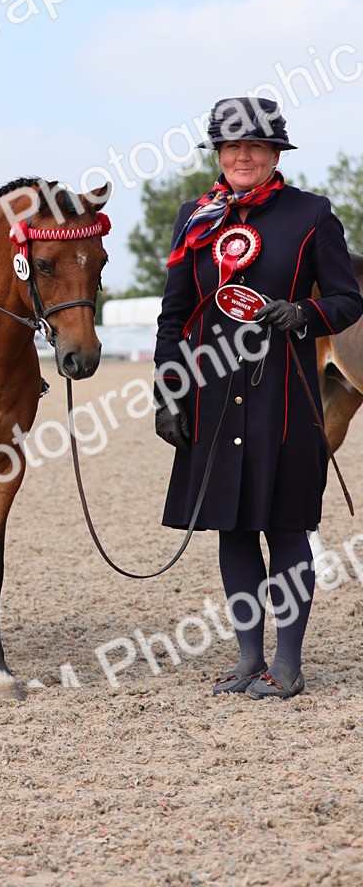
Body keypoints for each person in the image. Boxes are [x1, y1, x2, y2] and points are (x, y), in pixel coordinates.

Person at [153, 96, 362, 699]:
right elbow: (173, 316)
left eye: (256, 147)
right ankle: (248, 658)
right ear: (219, 153)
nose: (243, 156)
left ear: (275, 154)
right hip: (211, 396)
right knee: (233, 529)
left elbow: (350, 301)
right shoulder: (195, 218)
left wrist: (305, 312)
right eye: (232, 146)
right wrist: (169, 391)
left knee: (288, 527)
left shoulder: (313, 215)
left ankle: (288, 664)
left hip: (288, 397)